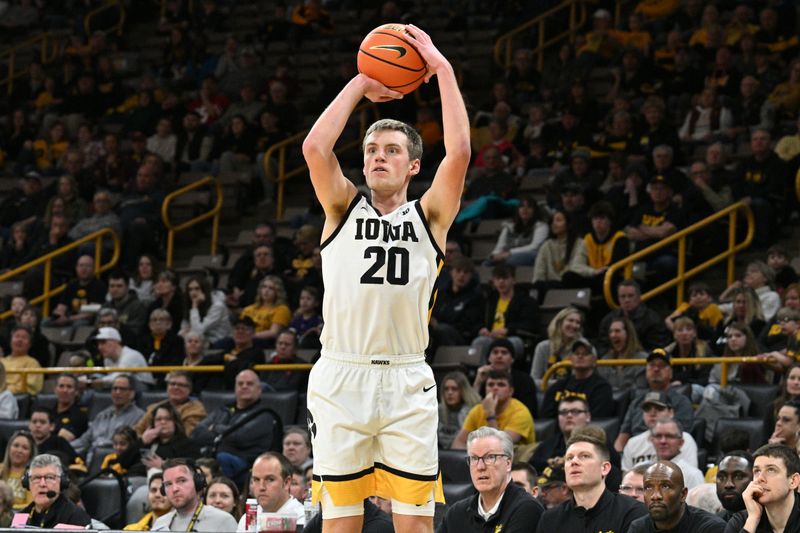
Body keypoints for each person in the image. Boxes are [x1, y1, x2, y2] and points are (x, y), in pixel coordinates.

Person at [302, 24, 470, 532]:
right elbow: (314, 148)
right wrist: (360, 83)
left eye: (392, 149)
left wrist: (442, 69)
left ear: (414, 165)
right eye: (372, 148)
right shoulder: (341, 207)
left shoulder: (430, 216)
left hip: (405, 378)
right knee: (341, 523)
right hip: (340, 376)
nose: (378, 155)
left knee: (416, 525)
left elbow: (460, 152)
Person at [535, 429, 647, 532]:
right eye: (569, 458)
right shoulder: (550, 519)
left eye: (584, 456)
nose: (574, 462)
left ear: (604, 468)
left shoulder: (632, 512)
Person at [439, 426, 544, 532]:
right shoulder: (456, 513)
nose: (480, 467)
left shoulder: (527, 508)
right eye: (474, 458)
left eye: (490, 457)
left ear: (508, 463)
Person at [191, 369, 281, 482]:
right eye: (240, 383)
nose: (244, 386)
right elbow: (196, 433)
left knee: (222, 458)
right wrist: (221, 436)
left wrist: (215, 428)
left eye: (250, 384)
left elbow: (242, 437)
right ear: (235, 388)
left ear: (259, 390)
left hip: (246, 466)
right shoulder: (223, 410)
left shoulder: (265, 414)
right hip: (213, 459)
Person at [615, 350, 695, 452]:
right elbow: (622, 437)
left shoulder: (682, 402)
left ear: (671, 372)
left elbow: (682, 438)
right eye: (652, 365)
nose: (656, 369)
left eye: (662, 365)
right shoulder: (636, 401)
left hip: (667, 452)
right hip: (637, 452)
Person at [628, 461, 726, 532]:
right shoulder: (638, 528)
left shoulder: (710, 528)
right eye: (649, 487)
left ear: (683, 494)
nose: (655, 496)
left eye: (665, 486)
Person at [451, 369, 535, 453]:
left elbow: (499, 447)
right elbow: (458, 443)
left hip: (514, 462)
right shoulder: (477, 410)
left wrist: (490, 414)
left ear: (510, 391)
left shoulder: (520, 412)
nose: (495, 388)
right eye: (490, 385)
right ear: (485, 390)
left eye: (501, 385)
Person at [723, 444, 800, 533]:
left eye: (771, 470)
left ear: (793, 481)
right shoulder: (741, 521)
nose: (760, 478)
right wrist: (753, 519)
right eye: (757, 471)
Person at [70, 374, 145, 462]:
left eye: (122, 389)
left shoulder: (140, 416)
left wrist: (100, 445)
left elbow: (128, 446)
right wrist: (65, 447)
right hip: (90, 460)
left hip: (115, 462)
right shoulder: (102, 415)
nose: (117, 392)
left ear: (132, 394)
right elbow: (84, 440)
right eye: (114, 388)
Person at [152, 458, 239, 532]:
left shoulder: (223, 521)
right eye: (168, 484)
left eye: (182, 481)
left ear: (197, 483)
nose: (175, 489)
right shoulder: (160, 524)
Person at [622, 392, 699, 471]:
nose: (652, 414)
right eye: (647, 409)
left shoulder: (684, 439)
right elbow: (626, 477)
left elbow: (689, 474)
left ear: (671, 413)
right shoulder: (632, 443)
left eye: (659, 408)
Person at [540, 338, 615, 419]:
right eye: (576, 353)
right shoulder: (558, 386)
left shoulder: (601, 388)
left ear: (594, 360)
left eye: (585, 354)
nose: (580, 356)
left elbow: (598, 420)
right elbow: (545, 418)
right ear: (571, 359)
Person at [235, 452, 305, 531]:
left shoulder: (303, 519)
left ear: (287, 483)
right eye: (256, 479)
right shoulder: (246, 519)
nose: (261, 487)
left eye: (270, 479)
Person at [598, 280, 672, 353]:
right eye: (623, 296)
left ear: (638, 297)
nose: (627, 300)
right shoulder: (608, 320)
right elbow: (602, 347)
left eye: (630, 296)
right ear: (618, 299)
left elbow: (656, 349)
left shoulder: (652, 319)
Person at [19, 454, 91, 528]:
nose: (42, 484)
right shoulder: (20, 517)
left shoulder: (75, 516)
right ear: (27, 483)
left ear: (62, 482)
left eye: (49, 477)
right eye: (36, 478)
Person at [473, 338, 538, 418]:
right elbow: (472, 411)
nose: (499, 356)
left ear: (512, 359)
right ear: (489, 358)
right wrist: (478, 382)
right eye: (495, 352)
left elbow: (530, 412)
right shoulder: (483, 377)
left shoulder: (525, 380)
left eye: (504, 352)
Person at [134, 371, 207, 437]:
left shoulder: (196, 410)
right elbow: (137, 430)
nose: (176, 387)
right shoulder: (154, 407)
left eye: (181, 385)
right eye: (172, 384)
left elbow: (186, 435)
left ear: (189, 390)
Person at [531, 307, 584, 389]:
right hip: (547, 393)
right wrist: (556, 384)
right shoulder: (543, 347)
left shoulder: (584, 348)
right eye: (570, 320)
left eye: (578, 322)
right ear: (559, 322)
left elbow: (582, 382)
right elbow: (533, 381)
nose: (574, 325)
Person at [649, 418, 705, 489]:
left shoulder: (693, 475)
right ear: (652, 440)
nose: (663, 441)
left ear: (681, 443)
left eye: (669, 436)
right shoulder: (643, 469)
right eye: (658, 436)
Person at [438, 371, 481, 450]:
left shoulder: (471, 411)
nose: (449, 393)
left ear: (463, 391)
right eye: (446, 389)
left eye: (454, 389)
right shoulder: (438, 410)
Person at [1, 326, 43, 394]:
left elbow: (30, 387)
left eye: (24, 337)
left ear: (29, 344)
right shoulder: (1, 361)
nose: (20, 340)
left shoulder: (33, 363)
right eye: (17, 336)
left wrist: (3, 391)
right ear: (10, 340)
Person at [0, 430, 36, 509]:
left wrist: (6, 508)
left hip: (21, 517)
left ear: (31, 454)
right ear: (9, 448)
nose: (19, 450)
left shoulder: (33, 476)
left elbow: (32, 506)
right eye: (16, 445)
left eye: (25, 448)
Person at [715, 452, 753, 522]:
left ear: (754, 479)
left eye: (738, 477)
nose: (728, 484)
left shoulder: (773, 523)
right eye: (721, 477)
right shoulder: (712, 523)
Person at [52, 373, 88, 441]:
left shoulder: (80, 416)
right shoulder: (48, 412)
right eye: (61, 386)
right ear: (55, 390)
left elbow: (61, 441)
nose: (65, 390)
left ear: (76, 391)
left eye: (69, 387)